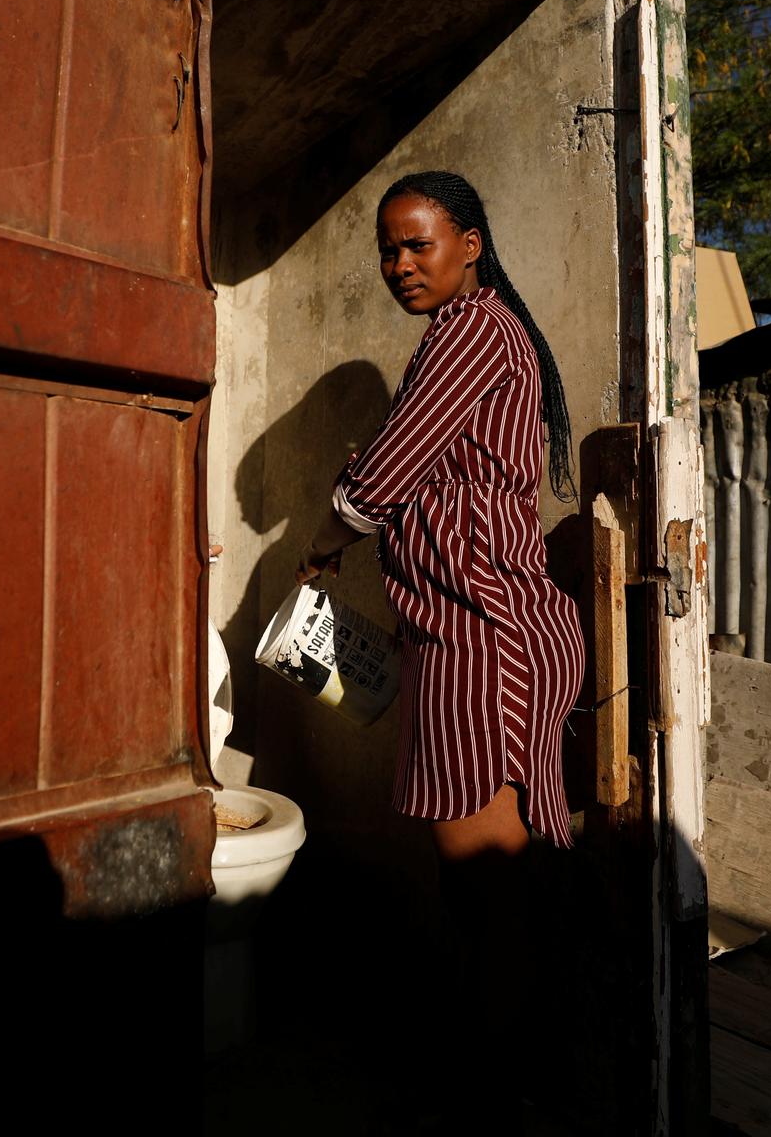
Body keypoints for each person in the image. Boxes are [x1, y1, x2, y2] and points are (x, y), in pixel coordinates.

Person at [294, 170, 586, 1089]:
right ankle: (509, 1065)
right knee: (488, 892)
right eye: (389, 249)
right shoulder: (473, 336)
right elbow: (418, 470)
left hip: (483, 638)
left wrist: (324, 535)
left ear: (469, 242)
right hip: (472, 632)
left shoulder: (469, 334)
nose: (400, 265)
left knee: (490, 894)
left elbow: (380, 481)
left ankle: (494, 1093)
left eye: (419, 243)